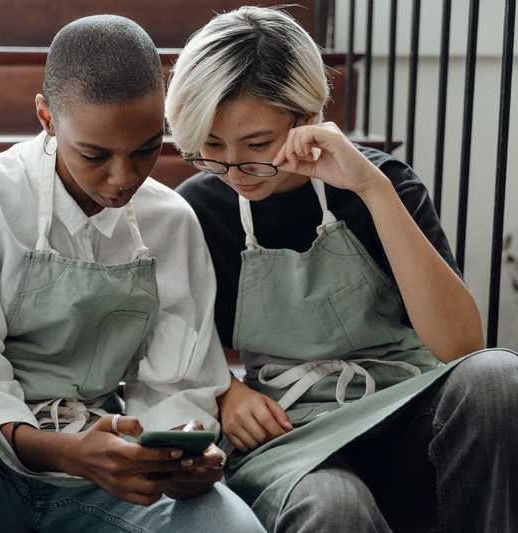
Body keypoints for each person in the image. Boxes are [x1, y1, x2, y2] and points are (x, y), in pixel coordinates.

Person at [0, 14, 263, 533]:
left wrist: (176, 458)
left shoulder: (172, 223)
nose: (123, 178)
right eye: (94, 155)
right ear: (46, 117)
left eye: (145, 151)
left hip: (107, 482)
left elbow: (176, 385)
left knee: (231, 526)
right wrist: (69, 453)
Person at [166, 6, 518, 533]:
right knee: (334, 506)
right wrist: (224, 389)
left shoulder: (384, 184)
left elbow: (462, 346)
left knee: (497, 379)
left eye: (257, 145)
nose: (234, 170)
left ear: (307, 118)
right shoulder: (198, 208)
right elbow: (170, 348)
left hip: (405, 406)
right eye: (211, 148)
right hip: (291, 437)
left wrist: (372, 191)